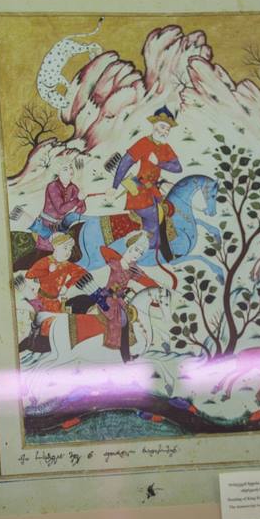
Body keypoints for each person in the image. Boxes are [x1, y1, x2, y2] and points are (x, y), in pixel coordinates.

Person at [112, 106, 182, 251]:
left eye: (168, 129)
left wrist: (159, 163)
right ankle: (148, 247)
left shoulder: (166, 147)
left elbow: (177, 167)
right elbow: (125, 163)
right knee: (155, 216)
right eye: (162, 127)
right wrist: (114, 186)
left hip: (154, 191)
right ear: (154, 125)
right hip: (139, 189)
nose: (165, 131)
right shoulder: (143, 143)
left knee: (166, 212)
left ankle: (155, 248)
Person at [93, 232, 160, 362]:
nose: (137, 255)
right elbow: (103, 249)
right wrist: (122, 259)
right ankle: (121, 353)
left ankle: (126, 355)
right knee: (122, 318)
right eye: (136, 250)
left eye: (141, 253)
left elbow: (147, 281)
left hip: (119, 299)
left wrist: (159, 289)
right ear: (129, 247)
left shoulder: (133, 270)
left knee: (130, 316)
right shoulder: (115, 262)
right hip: (107, 296)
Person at [28, 158, 86, 251]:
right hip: (47, 225)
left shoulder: (73, 187)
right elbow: (61, 209)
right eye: (65, 169)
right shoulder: (52, 186)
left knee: (63, 251)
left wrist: (81, 189)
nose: (70, 170)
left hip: (61, 226)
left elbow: (81, 209)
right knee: (48, 251)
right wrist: (77, 199)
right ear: (58, 172)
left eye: (71, 167)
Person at [24, 232, 88, 313]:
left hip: (55, 302)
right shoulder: (45, 261)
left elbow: (81, 272)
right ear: (55, 246)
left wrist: (67, 286)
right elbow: (29, 274)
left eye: (70, 249)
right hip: (42, 301)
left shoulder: (66, 265)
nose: (68, 252)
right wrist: (46, 271)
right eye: (65, 248)